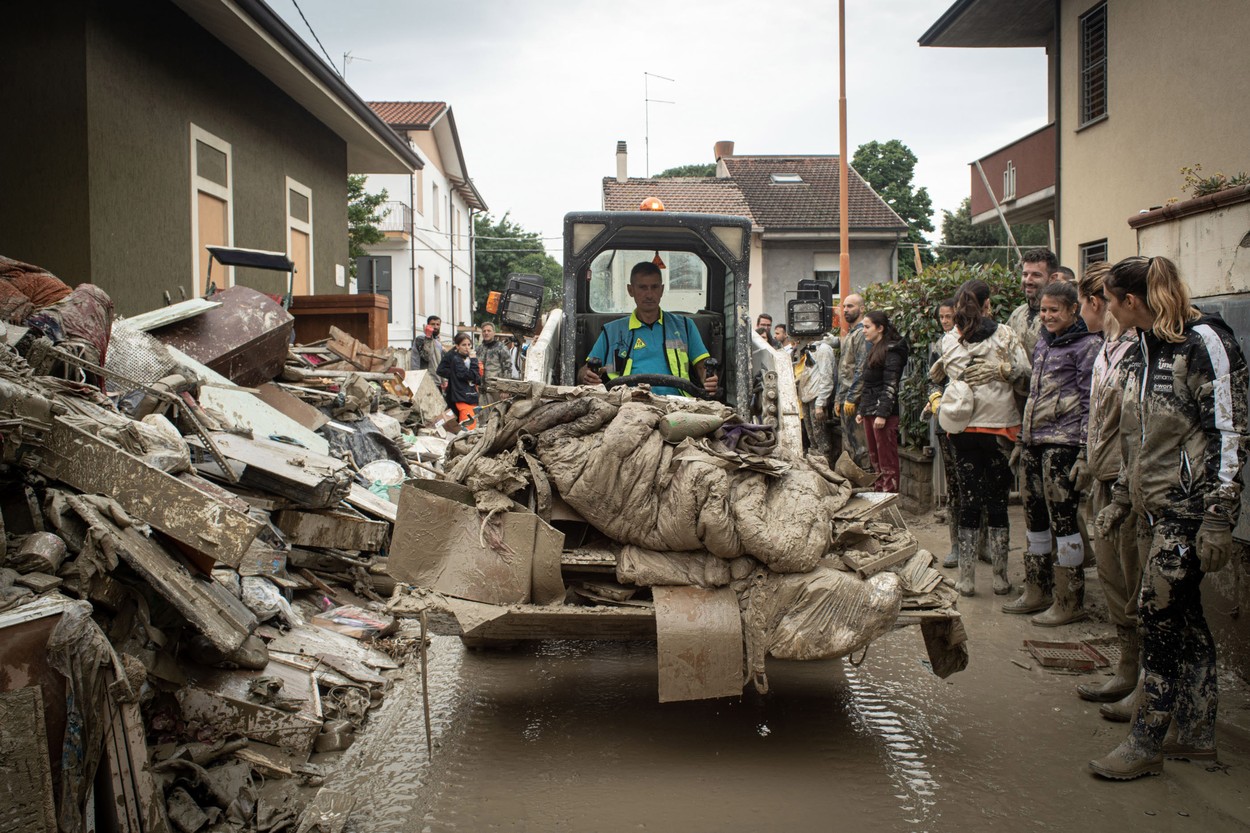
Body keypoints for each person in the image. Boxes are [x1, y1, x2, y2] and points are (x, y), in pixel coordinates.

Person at [1088, 256, 1248, 781]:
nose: (1107, 308)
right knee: (1186, 617)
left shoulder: (1205, 344)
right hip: (1157, 504)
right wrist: (1123, 500)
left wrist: (1220, 517)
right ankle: (1197, 731)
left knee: (1157, 614)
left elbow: (1230, 432)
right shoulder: (1145, 347)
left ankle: (1146, 738)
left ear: (1130, 302)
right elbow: (1142, 436)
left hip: (1191, 509)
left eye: (1109, 299)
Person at [928, 279, 1031, 596]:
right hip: (1000, 428)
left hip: (961, 429)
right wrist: (1002, 370)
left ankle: (967, 579)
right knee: (998, 503)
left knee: (969, 500)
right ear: (987, 305)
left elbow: (941, 374)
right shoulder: (1005, 335)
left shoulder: (949, 340)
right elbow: (1025, 375)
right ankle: (1000, 578)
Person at [1071, 262, 1143, 712]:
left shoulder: (1138, 350)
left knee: (1135, 584)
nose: (1082, 314)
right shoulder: (1105, 350)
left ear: (1099, 303)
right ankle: (1127, 670)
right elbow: (1096, 416)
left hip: (1128, 485)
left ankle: (1144, 684)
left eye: (1083, 304)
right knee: (1114, 580)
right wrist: (1085, 456)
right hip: (1103, 478)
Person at [1013, 280, 1101, 625]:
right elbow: (1033, 396)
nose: (1047, 316)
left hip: (1063, 444)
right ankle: (1037, 588)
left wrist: (1083, 452)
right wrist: (1022, 439)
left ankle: (1070, 598)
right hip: (1036, 442)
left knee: (1063, 520)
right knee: (1033, 516)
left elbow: (1089, 402)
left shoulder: (1087, 346)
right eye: (1044, 310)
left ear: (1072, 311)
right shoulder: (1044, 345)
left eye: (1055, 310)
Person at [579, 261, 718, 397]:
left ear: (662, 290)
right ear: (630, 290)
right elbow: (586, 370)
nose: (649, 294)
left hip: (678, 406)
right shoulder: (611, 332)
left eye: (654, 287)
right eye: (643, 287)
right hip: (627, 405)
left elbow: (702, 368)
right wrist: (587, 376)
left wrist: (709, 380)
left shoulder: (685, 327)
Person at [857, 311, 909, 492]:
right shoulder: (875, 349)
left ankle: (889, 497)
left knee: (887, 459)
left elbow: (890, 384)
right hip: (871, 411)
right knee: (875, 459)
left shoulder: (892, 350)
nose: (863, 330)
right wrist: (862, 410)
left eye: (867, 326)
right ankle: (880, 493)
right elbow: (869, 383)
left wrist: (882, 413)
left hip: (883, 414)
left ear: (880, 328)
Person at [929, 298, 962, 568]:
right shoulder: (939, 345)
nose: (945, 320)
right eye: (942, 316)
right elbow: (932, 379)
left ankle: (981, 543)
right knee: (954, 488)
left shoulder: (974, 341)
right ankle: (956, 545)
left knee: (976, 488)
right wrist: (936, 398)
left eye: (949, 316)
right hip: (946, 420)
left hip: (975, 423)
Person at [833, 293, 870, 469]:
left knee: (860, 446)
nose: (846, 310)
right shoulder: (850, 334)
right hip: (846, 397)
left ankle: (866, 483)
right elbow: (844, 370)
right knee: (849, 445)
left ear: (862, 309)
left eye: (850, 306)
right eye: (844, 306)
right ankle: (855, 482)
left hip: (856, 400)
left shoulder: (862, 334)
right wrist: (838, 399)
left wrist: (852, 397)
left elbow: (861, 368)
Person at [1008, 249, 1058, 361]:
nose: (1028, 280)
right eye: (1025, 274)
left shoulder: (1059, 317)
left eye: (1036, 275)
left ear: (1053, 278)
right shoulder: (1017, 314)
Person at [796, 334, 837, 465]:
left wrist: (820, 403)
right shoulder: (809, 348)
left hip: (817, 399)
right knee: (812, 440)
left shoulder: (823, 349)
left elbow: (827, 377)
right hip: (807, 398)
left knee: (822, 442)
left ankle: (826, 470)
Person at [437, 331, 483, 429]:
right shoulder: (455, 357)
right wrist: (454, 375)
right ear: (457, 346)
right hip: (459, 395)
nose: (467, 347)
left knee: (469, 423)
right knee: (464, 423)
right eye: (464, 345)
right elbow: (441, 370)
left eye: (469, 345)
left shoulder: (468, 357)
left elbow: (477, 378)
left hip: (470, 395)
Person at [477, 322, 514, 404]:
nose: (486, 333)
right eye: (484, 331)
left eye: (489, 331)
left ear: (494, 332)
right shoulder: (479, 349)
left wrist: (505, 389)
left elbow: (507, 368)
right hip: (482, 389)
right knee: (483, 414)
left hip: (497, 388)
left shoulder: (501, 347)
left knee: (497, 413)